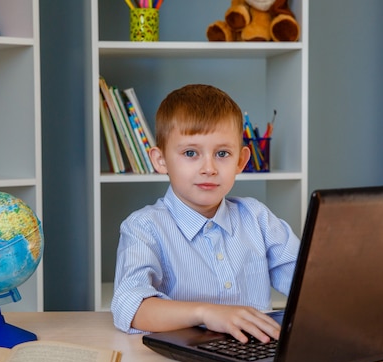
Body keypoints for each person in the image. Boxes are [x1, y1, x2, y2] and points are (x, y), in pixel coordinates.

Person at [111, 84, 300, 343]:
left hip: (253, 355)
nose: (209, 168)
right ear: (160, 160)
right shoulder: (145, 227)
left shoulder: (257, 218)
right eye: (191, 153)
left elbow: (309, 284)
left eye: (222, 153)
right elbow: (130, 308)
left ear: (240, 162)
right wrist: (205, 313)